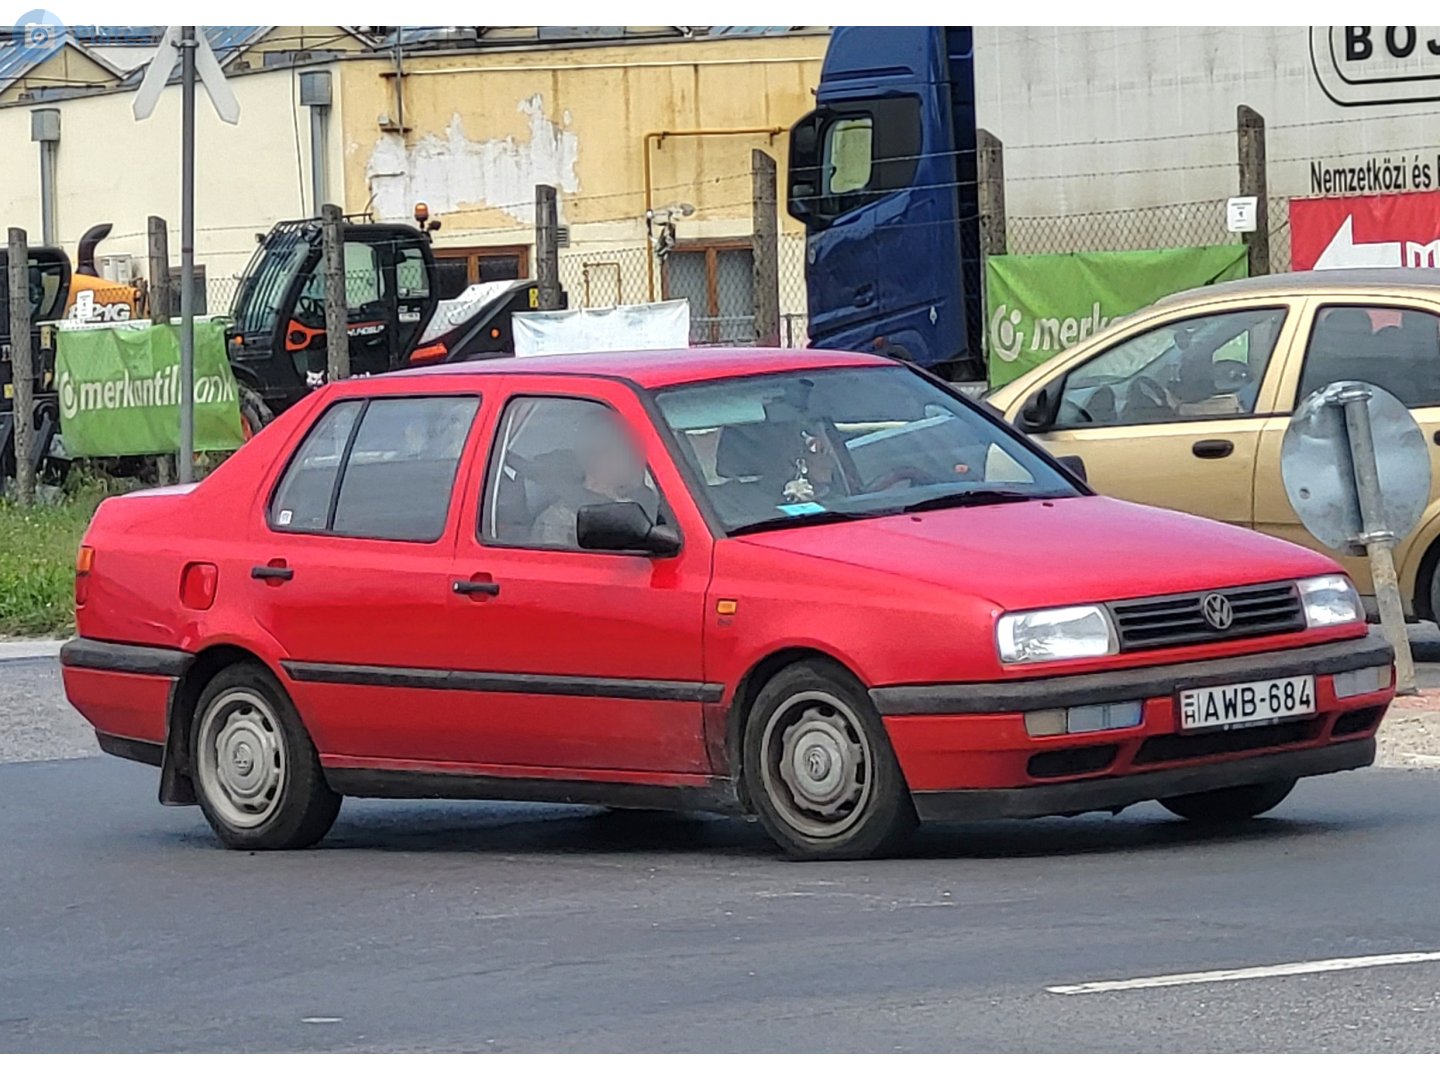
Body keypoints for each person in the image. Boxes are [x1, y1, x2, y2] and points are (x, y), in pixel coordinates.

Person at [530, 413, 659, 547]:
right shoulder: (558, 521)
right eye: (616, 450)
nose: (633, 459)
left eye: (630, 450)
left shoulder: (646, 503)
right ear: (594, 460)